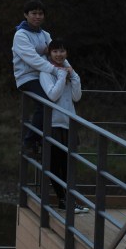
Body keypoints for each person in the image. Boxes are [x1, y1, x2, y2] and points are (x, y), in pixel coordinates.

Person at [39, 38, 88, 214]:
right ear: (50, 54)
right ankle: (63, 200)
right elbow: (52, 95)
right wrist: (61, 76)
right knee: (56, 164)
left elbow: (76, 97)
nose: (59, 55)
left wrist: (74, 77)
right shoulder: (46, 72)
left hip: (69, 123)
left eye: (62, 51)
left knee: (68, 164)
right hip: (53, 123)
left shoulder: (68, 72)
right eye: (55, 51)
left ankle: (68, 200)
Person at [11, 0, 60, 151]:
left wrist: (71, 72)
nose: (37, 16)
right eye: (34, 13)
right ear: (26, 15)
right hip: (27, 77)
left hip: (44, 76)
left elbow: (57, 54)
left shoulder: (45, 35)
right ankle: (30, 141)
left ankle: (53, 140)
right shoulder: (21, 35)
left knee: (60, 100)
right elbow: (33, 60)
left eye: (40, 13)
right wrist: (55, 70)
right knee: (46, 102)